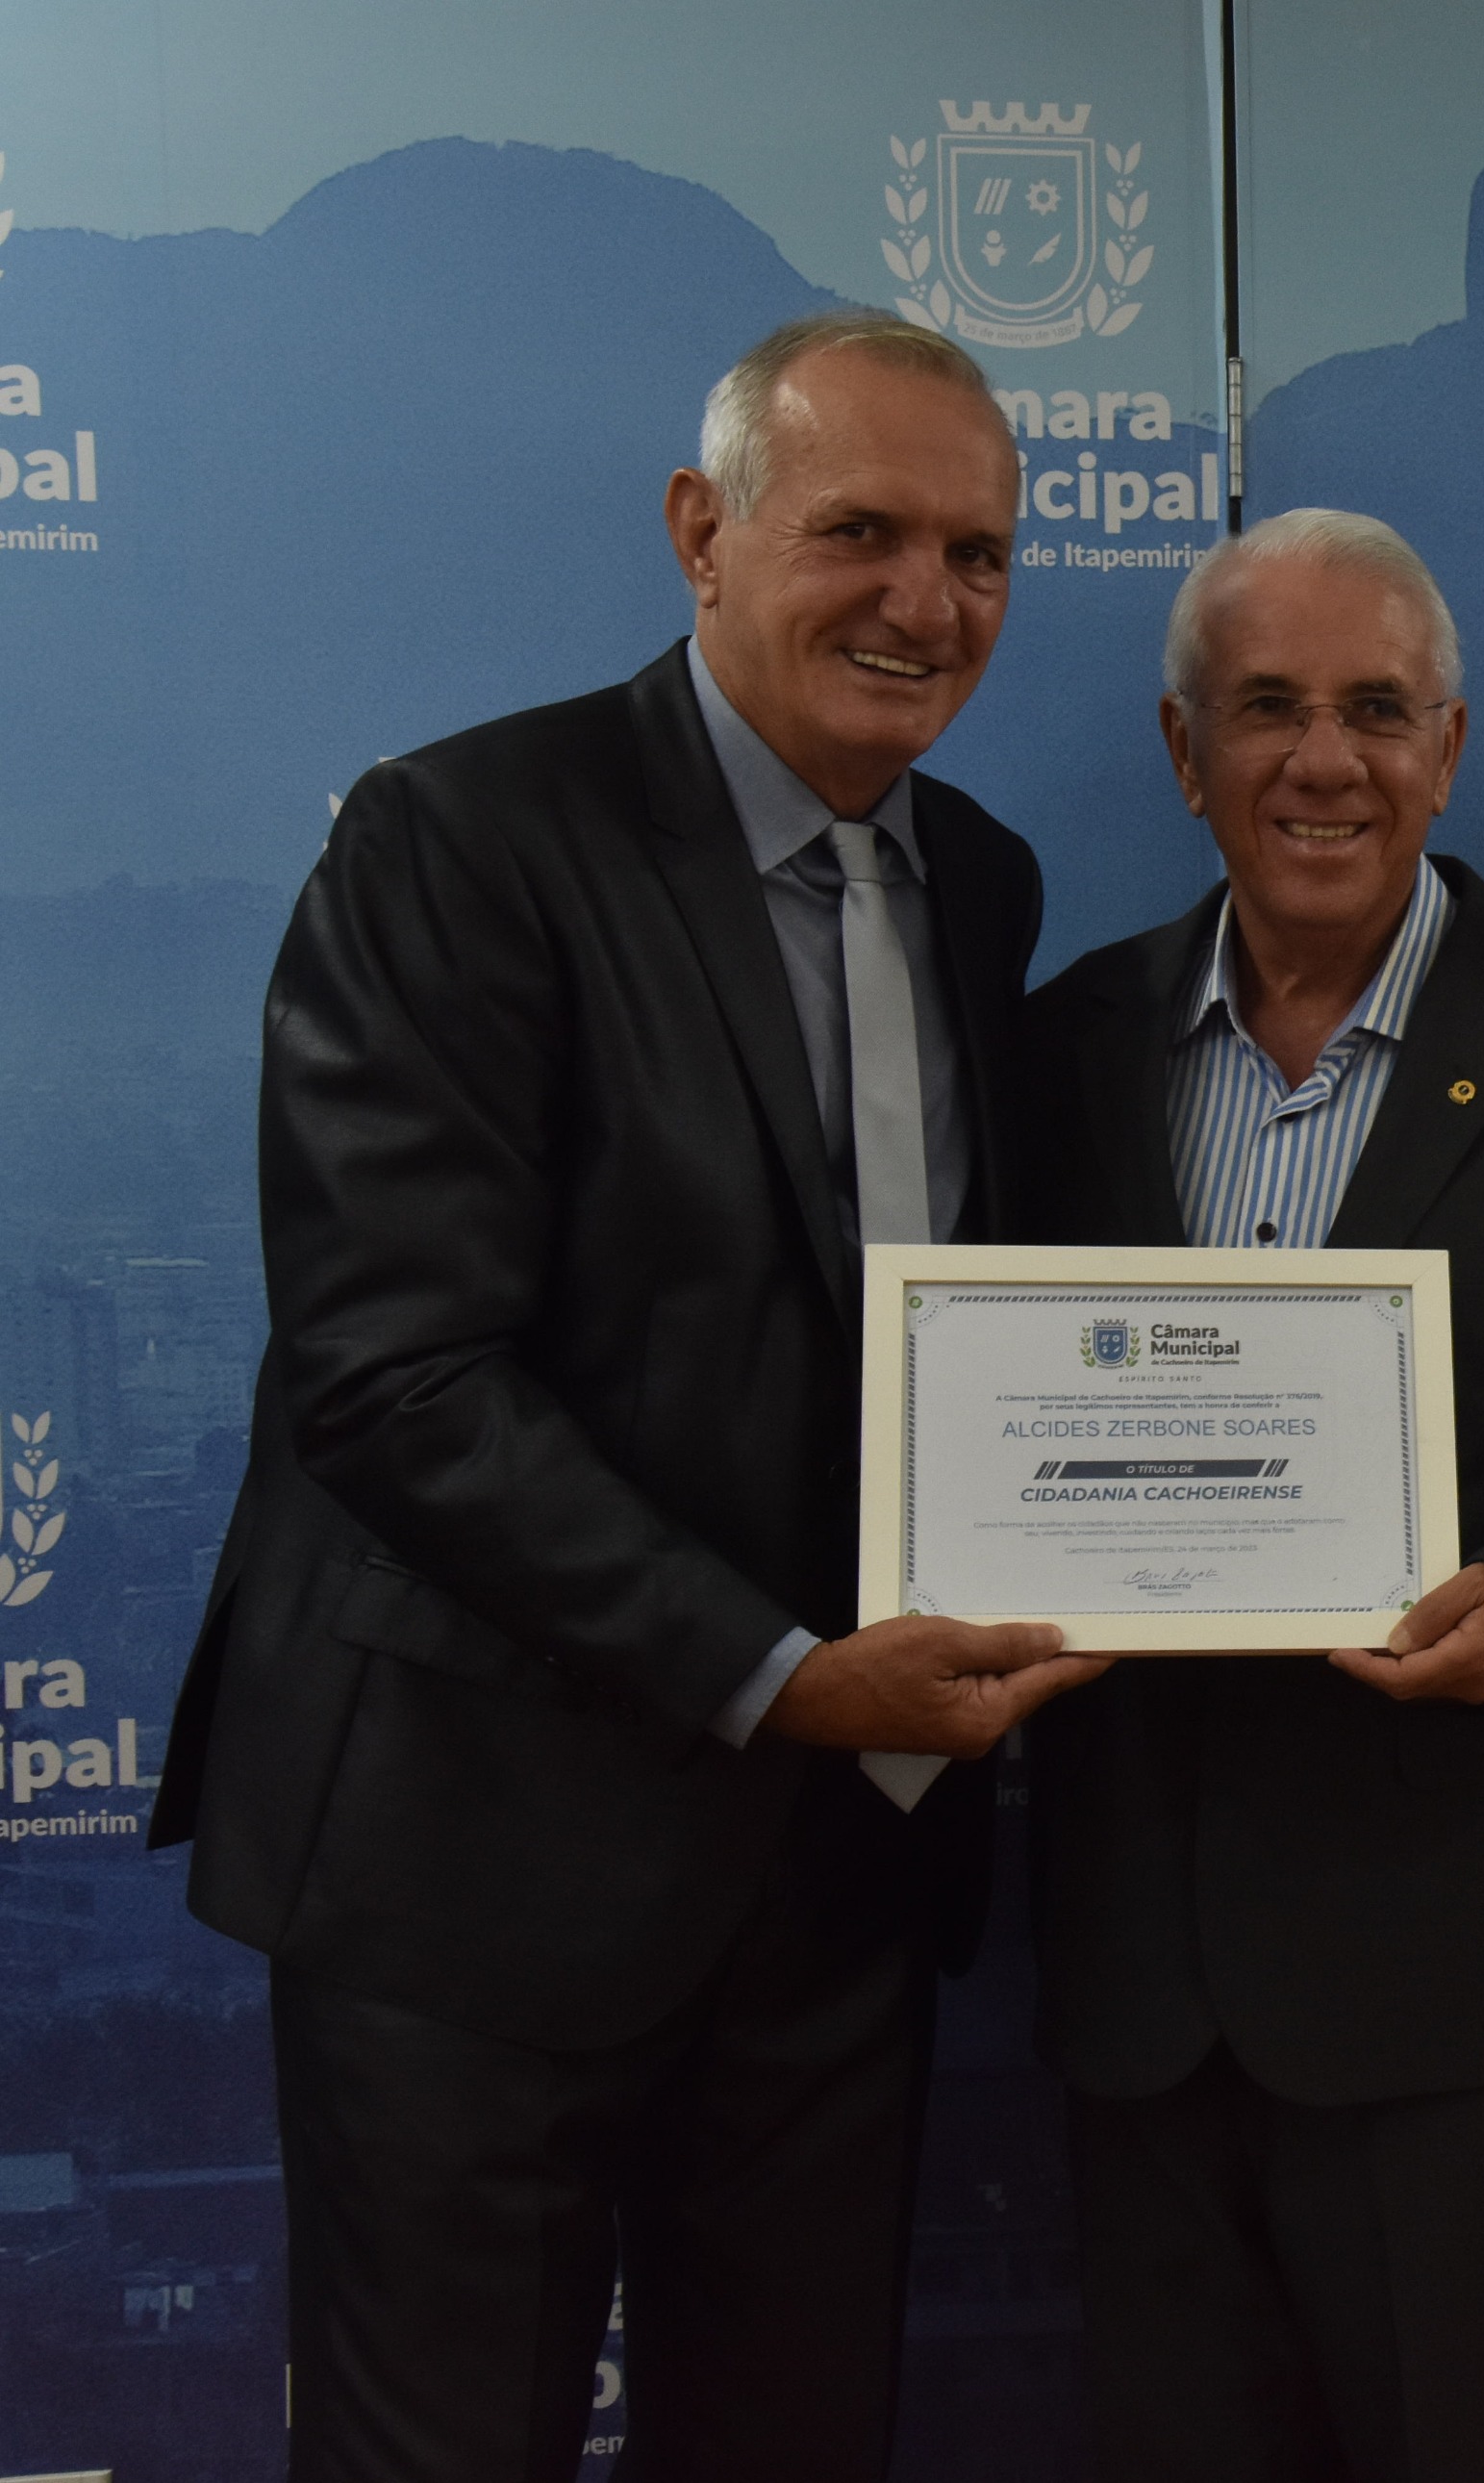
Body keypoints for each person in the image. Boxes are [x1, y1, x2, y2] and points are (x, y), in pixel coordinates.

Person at [149, 310, 1111, 2483]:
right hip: (471, 1865)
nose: (925, 599)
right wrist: (779, 1673)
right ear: (703, 530)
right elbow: (394, 1376)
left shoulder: (978, 880)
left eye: (977, 553)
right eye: (861, 531)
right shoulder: (457, 838)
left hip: (833, 1884)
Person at [1018, 506, 1484, 2482]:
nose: (1322, 760)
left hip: (1470, 1988)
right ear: (1183, 751)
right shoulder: (1058, 1046)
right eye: (1266, 708)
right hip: (1142, 1983)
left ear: (1449, 745)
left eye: (1374, 709)